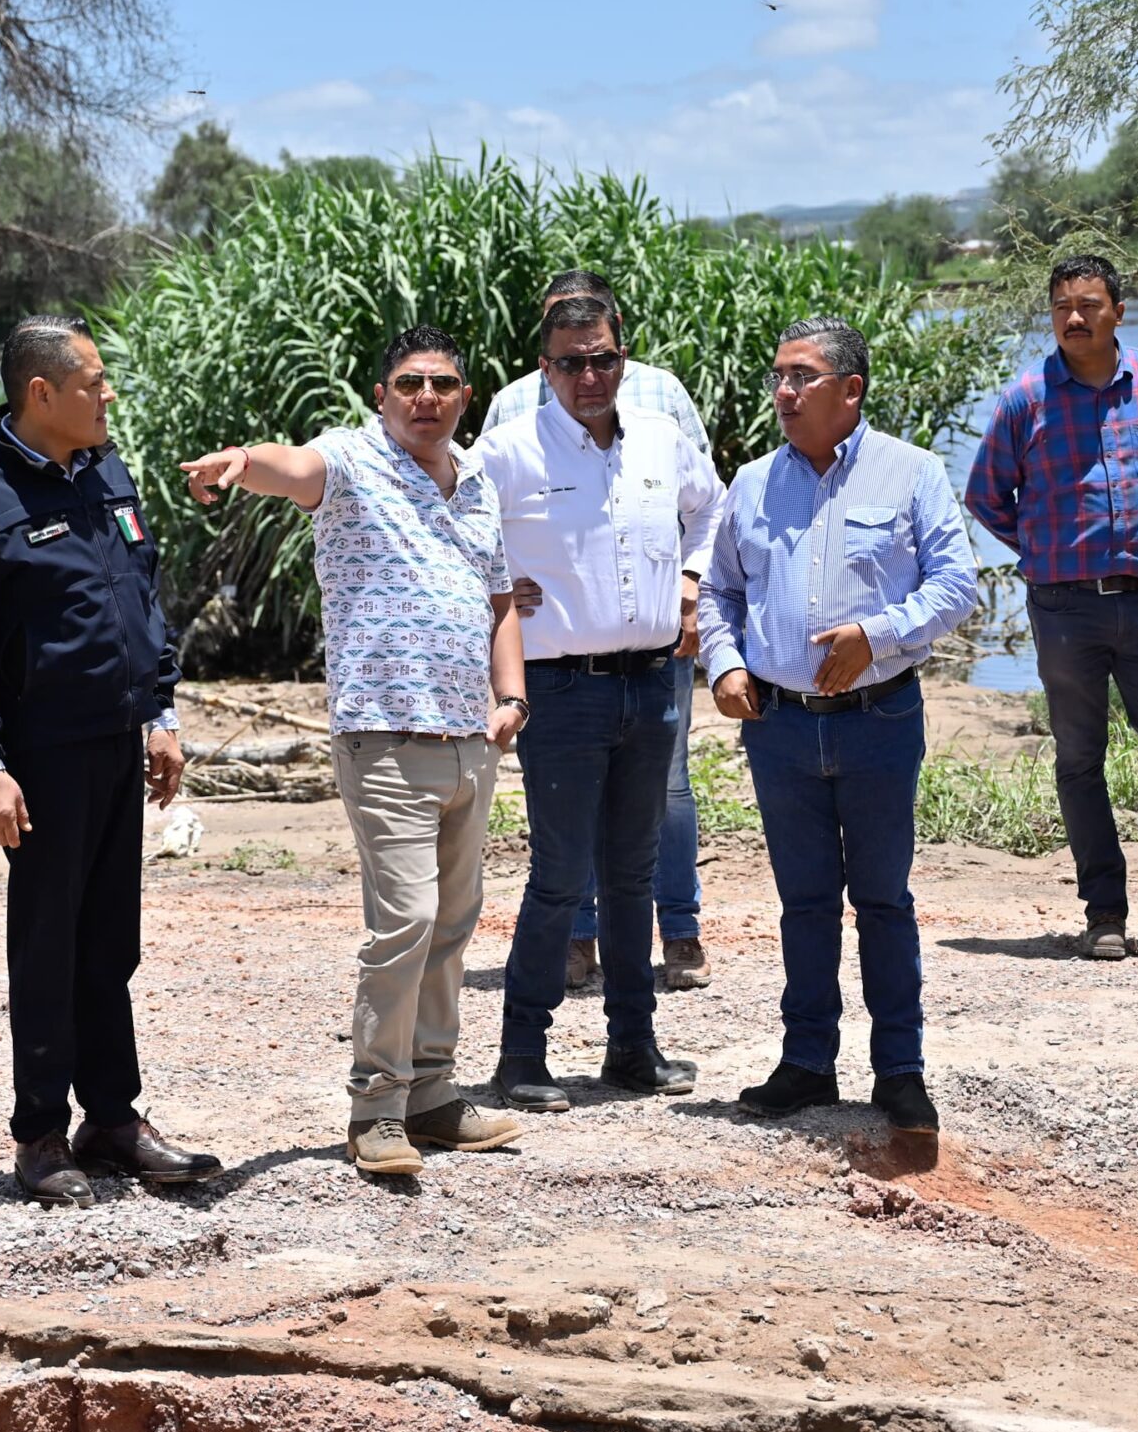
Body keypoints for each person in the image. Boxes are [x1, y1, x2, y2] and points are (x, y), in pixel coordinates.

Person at [179, 327, 531, 1175]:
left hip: (468, 738)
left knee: (452, 923)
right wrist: (242, 461)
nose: (426, 397)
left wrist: (512, 696)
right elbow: (293, 468)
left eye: (443, 383)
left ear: (465, 396)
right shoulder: (351, 460)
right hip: (384, 735)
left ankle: (435, 1095)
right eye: (408, 382)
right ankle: (376, 1108)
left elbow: (500, 599)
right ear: (381, 395)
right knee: (404, 920)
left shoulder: (477, 479)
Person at [0, 314, 220, 1209]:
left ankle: (114, 1119)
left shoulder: (104, 474)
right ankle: (41, 1133)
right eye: (93, 382)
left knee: (108, 943)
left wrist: (160, 713)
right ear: (41, 394)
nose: (108, 394)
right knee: (46, 947)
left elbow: (141, 602)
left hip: (117, 743)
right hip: (37, 758)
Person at [699, 316, 979, 1134]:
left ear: (850, 390)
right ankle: (808, 1064)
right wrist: (725, 664)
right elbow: (719, 592)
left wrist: (876, 637)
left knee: (884, 900)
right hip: (779, 727)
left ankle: (899, 1070)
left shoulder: (912, 472)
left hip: (878, 718)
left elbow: (958, 585)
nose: (784, 392)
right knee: (805, 903)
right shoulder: (751, 482)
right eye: (778, 375)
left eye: (802, 377)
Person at [475, 294, 726, 1113]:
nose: (589, 376)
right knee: (556, 878)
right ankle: (521, 1057)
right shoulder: (507, 451)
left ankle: (632, 1047)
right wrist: (495, 596)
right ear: (544, 369)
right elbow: (458, 530)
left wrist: (691, 583)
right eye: (571, 362)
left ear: (625, 359)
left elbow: (713, 509)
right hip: (561, 688)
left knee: (631, 875)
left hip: (654, 683)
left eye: (603, 359)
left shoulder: (659, 436)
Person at [964, 255, 1138, 962]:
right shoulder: (1026, 398)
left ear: (1120, 310)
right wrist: (1042, 550)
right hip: (1062, 608)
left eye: (1088, 304)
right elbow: (985, 493)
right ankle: (1104, 911)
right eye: (1061, 307)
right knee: (1080, 758)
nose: (1074, 318)